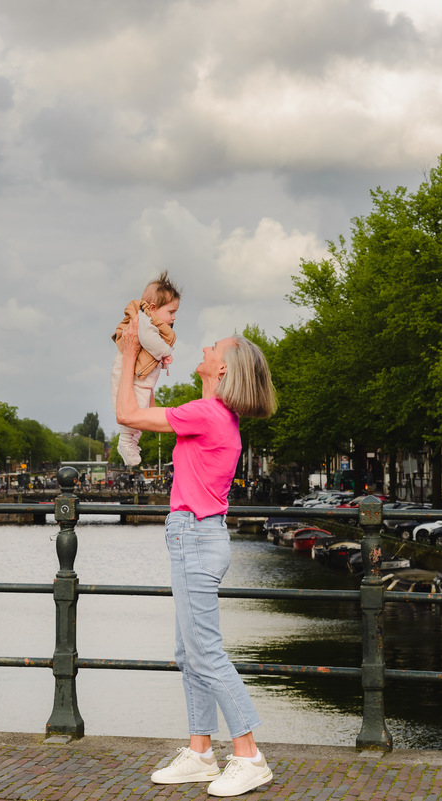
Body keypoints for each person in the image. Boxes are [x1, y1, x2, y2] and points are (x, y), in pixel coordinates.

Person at [114, 320, 278, 797]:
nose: (204, 346)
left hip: (194, 537)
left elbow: (127, 412)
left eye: (214, 346)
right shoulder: (215, 415)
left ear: (222, 367)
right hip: (196, 536)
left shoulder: (207, 413)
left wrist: (129, 353)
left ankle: (248, 755)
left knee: (205, 653)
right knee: (191, 652)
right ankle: (202, 751)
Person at [110, 271, 181, 466]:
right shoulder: (145, 320)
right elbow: (149, 340)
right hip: (132, 375)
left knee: (140, 411)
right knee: (135, 411)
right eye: (171, 312)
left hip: (135, 375)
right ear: (152, 308)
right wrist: (166, 352)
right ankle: (126, 441)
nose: (174, 318)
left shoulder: (148, 320)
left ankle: (131, 441)